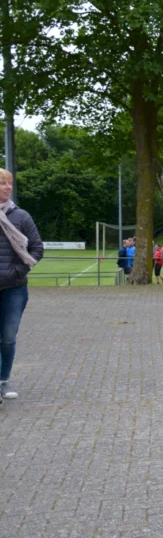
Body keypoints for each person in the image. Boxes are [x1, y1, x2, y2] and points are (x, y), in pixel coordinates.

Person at [0, 168, 44, 403]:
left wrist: (18, 270)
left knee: (7, 337)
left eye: (10, 183)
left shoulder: (21, 216)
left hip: (14, 287)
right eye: (2, 183)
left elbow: (37, 248)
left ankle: (3, 379)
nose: (8, 187)